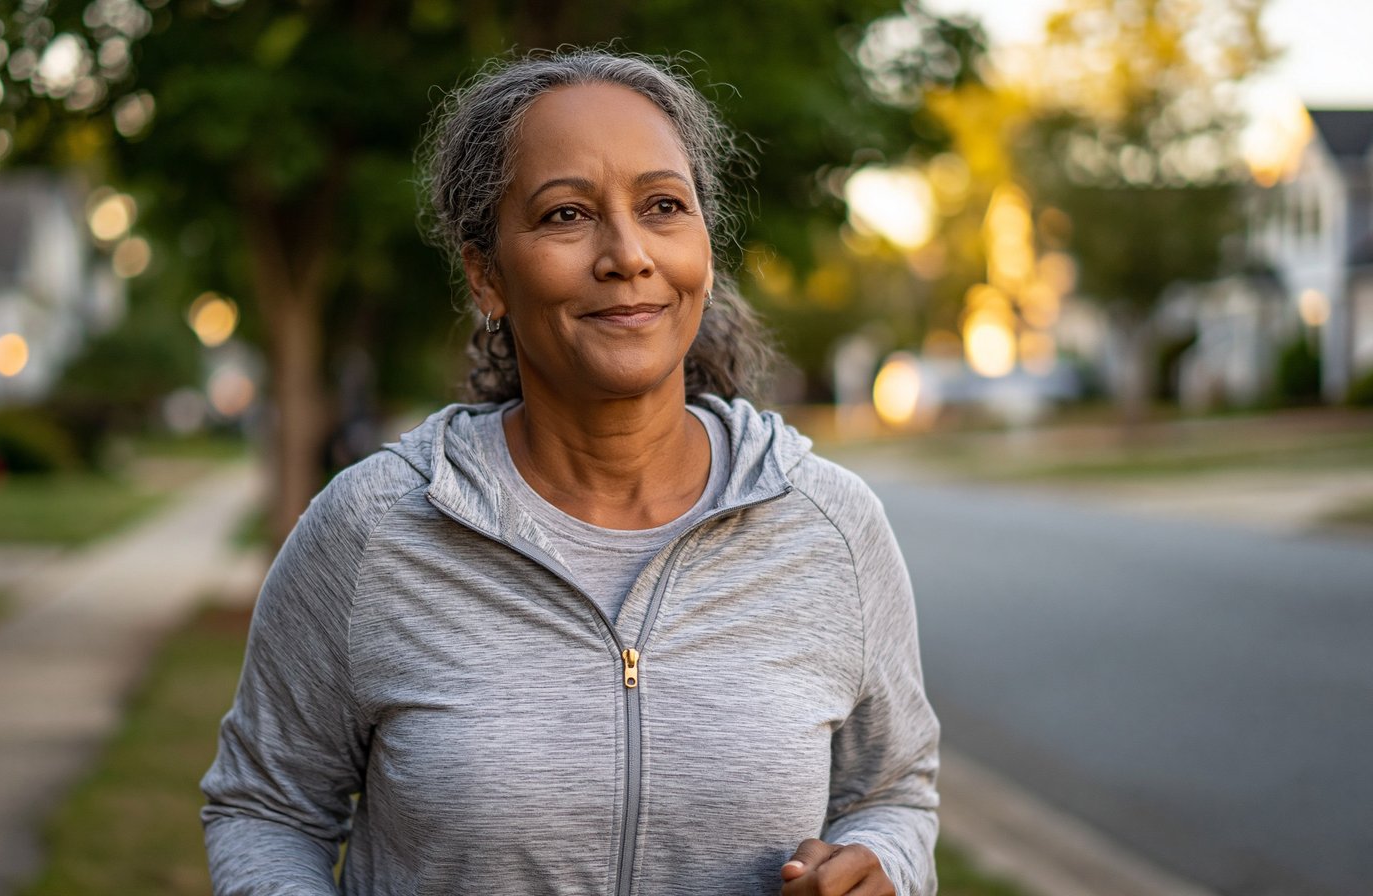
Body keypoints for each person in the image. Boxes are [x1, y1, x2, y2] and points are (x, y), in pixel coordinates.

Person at [201, 48, 939, 896]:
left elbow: (892, 793)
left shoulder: (830, 528)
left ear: (703, 243)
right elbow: (266, 810)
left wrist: (881, 868)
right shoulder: (374, 531)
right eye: (564, 216)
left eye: (663, 206)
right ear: (487, 276)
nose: (627, 253)